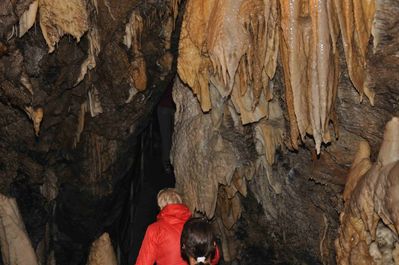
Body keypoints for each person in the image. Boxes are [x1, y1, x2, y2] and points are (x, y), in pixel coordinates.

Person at [135, 188, 191, 265]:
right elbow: (211, 255)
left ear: (161, 206)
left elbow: (144, 262)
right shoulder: (195, 226)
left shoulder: (155, 229)